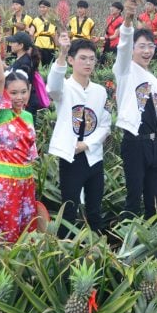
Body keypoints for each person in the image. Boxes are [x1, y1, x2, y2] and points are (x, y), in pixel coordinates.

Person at [48, 31, 111, 237]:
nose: (88, 63)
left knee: (94, 208)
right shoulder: (64, 88)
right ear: (71, 60)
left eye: (92, 59)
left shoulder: (100, 91)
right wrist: (61, 53)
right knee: (69, 208)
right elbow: (52, 87)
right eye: (83, 58)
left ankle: (96, 249)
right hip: (71, 157)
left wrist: (86, 145)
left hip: (93, 157)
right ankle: (66, 250)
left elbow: (105, 124)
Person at [114, 0, 157, 219]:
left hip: (154, 144)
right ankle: (126, 242)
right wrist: (127, 20)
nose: (147, 51)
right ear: (133, 50)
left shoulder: (153, 80)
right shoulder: (125, 71)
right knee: (134, 196)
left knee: (155, 199)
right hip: (134, 142)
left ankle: (153, 240)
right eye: (142, 46)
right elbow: (123, 45)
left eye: (151, 46)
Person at [0, 27, 39, 242]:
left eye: (23, 92)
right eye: (14, 92)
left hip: (26, 180)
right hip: (4, 181)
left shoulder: (28, 116)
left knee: (26, 228)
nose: (19, 97)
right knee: (5, 230)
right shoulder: (0, 114)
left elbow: (31, 153)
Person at [29, 0, 57, 68]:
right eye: (40, 7)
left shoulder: (54, 20)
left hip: (49, 46)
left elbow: (55, 35)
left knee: (49, 66)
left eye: (44, 7)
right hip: (38, 45)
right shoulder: (36, 20)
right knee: (39, 66)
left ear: (49, 8)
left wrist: (57, 46)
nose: (41, 9)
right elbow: (31, 33)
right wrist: (32, 45)